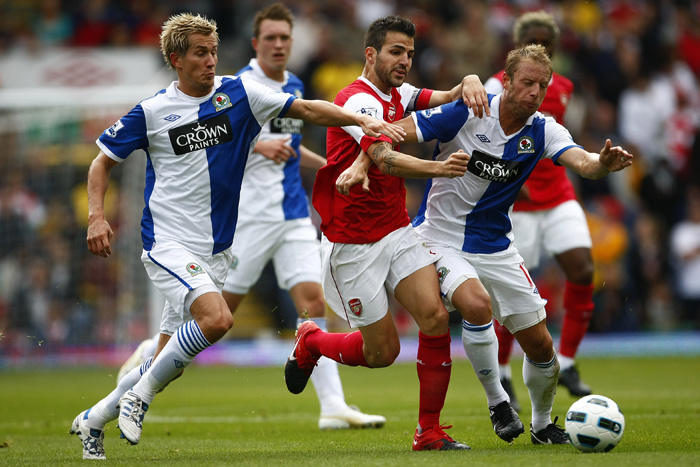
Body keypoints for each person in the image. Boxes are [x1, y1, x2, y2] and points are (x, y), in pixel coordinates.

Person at [69, 12, 404, 460]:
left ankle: (94, 418)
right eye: (200, 54)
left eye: (213, 51)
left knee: (167, 358)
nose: (211, 61)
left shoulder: (240, 92)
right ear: (176, 59)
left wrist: (357, 121)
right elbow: (101, 162)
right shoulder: (152, 111)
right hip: (167, 244)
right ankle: (139, 398)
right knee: (218, 320)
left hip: (217, 250)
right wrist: (96, 216)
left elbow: (303, 109)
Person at [338, 43, 633, 446]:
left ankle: (544, 425)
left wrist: (603, 164)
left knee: (542, 347)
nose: (535, 92)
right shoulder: (468, 110)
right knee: (476, 305)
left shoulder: (543, 129)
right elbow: (399, 131)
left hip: (497, 247)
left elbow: (582, 161)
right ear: (507, 80)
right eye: (527, 82)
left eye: (542, 85)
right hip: (439, 238)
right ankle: (498, 402)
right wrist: (365, 157)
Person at [283, 15, 498, 452]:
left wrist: (471, 79)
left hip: (396, 229)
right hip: (351, 245)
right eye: (396, 52)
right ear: (371, 53)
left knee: (436, 317)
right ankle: (312, 341)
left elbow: (443, 95)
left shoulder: (399, 92)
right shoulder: (356, 101)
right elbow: (382, 157)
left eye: (410, 54)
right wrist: (438, 167)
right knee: (382, 353)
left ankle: (429, 432)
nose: (405, 61)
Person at [483, 10, 595, 411]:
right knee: (514, 295)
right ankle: (503, 369)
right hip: (518, 203)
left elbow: (561, 141)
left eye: (548, 41)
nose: (543, 47)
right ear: (518, 47)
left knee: (582, 269)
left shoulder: (561, 87)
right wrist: (515, 178)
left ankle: (566, 362)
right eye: (533, 40)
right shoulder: (496, 86)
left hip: (559, 195)